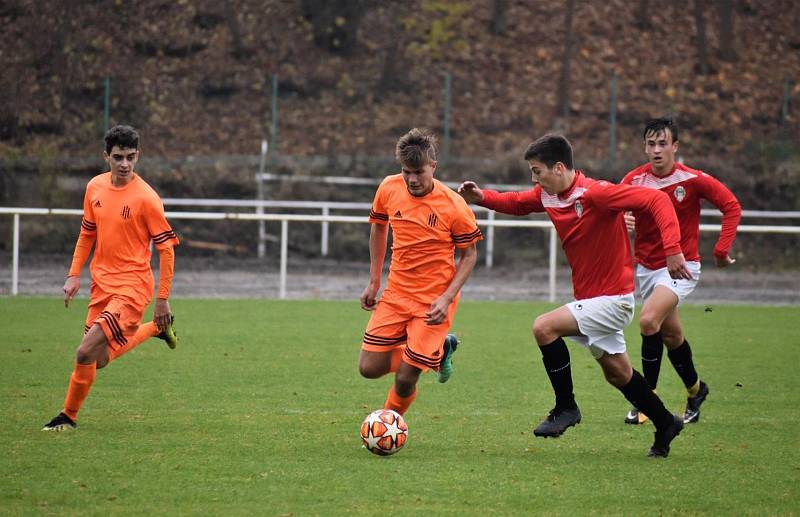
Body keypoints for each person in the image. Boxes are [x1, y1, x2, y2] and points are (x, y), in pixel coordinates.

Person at [458, 134, 690, 458]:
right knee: (618, 374)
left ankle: (566, 407)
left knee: (544, 327)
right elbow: (518, 202)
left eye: (537, 171)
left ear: (558, 167)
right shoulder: (549, 195)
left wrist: (673, 250)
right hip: (593, 300)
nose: (534, 178)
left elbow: (657, 201)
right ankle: (666, 423)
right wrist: (481, 197)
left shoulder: (596, 193)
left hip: (614, 300)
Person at [42, 125, 180, 431]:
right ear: (106, 156)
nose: (125, 164)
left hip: (132, 288)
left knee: (83, 352)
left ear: (138, 156)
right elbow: (87, 233)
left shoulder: (146, 198)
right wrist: (74, 274)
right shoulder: (94, 188)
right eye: (118, 157)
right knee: (99, 359)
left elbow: (166, 249)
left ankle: (67, 417)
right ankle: (155, 330)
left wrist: (162, 298)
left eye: (131, 157)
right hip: (101, 284)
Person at [620, 117, 741, 426]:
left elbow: (731, 206)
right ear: (644, 147)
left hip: (681, 267)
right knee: (671, 335)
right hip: (647, 269)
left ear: (675, 146)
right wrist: (623, 221)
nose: (657, 150)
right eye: (651, 144)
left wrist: (721, 250)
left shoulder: (693, 179)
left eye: (663, 144)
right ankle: (696, 390)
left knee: (648, 322)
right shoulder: (633, 180)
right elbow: (611, 213)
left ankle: (647, 400)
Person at [358, 128, 481, 418]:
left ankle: (388, 422)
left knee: (404, 378)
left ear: (433, 167)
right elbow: (378, 226)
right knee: (368, 368)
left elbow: (470, 255)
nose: (412, 179)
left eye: (418, 172)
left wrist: (446, 298)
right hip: (396, 293)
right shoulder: (389, 188)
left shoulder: (454, 206)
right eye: (406, 172)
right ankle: (438, 352)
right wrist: (374, 280)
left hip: (433, 301)